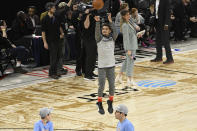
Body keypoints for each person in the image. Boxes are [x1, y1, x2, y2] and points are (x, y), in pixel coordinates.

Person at [94, 13, 118, 115]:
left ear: (110, 31)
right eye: (103, 29)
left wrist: (110, 21)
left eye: (106, 29)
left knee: (112, 85)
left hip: (111, 65)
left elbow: (116, 31)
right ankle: (99, 103)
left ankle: (110, 101)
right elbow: (97, 32)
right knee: (101, 86)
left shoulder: (113, 38)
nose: (104, 30)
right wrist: (97, 22)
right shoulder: (99, 39)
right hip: (102, 67)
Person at [115, 10, 141, 87]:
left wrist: (137, 35)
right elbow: (126, 39)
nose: (129, 16)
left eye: (129, 14)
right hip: (130, 47)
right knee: (130, 62)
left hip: (133, 45)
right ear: (123, 16)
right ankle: (129, 79)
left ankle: (119, 76)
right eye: (127, 15)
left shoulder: (129, 22)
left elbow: (131, 35)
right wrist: (128, 49)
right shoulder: (125, 25)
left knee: (127, 61)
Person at [41, 2, 65, 79]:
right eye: (53, 7)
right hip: (50, 40)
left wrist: (62, 33)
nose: (54, 8)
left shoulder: (56, 17)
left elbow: (59, 26)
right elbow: (43, 32)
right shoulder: (44, 19)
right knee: (53, 57)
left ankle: (55, 71)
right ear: (49, 8)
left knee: (58, 56)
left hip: (58, 39)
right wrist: (45, 42)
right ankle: (51, 73)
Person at [150, 0, 174, 64]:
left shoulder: (165, 1)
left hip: (164, 24)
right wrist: (155, 24)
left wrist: (166, 24)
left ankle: (170, 58)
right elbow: (156, 13)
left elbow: (167, 13)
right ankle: (159, 57)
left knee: (165, 41)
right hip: (158, 23)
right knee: (158, 41)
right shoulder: (155, 1)